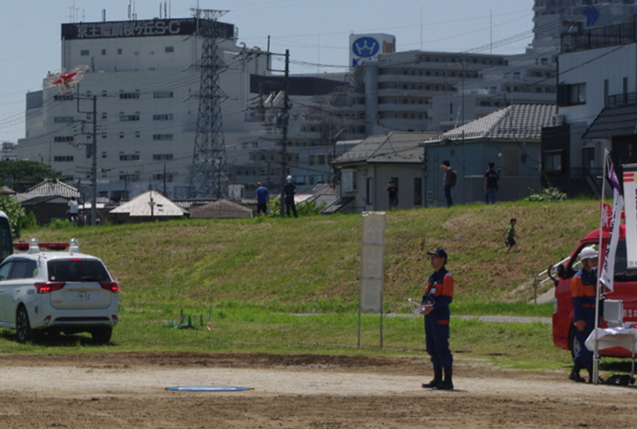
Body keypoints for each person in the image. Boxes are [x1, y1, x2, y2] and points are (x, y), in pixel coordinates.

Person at [420, 247, 455, 390]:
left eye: (435, 257)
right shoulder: (432, 277)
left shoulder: (447, 277)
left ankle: (448, 380)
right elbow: (426, 296)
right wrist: (422, 306)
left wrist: (432, 307)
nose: (432, 260)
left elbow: (447, 299)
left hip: (439, 317)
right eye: (431, 257)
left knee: (441, 347)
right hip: (429, 317)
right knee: (431, 347)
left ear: (443, 259)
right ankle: (437, 378)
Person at [570, 246, 603, 383]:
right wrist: (579, 320)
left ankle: (575, 372)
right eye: (592, 260)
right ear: (584, 262)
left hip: (593, 314)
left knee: (590, 346)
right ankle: (593, 375)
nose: (595, 262)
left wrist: (600, 314)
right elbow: (576, 302)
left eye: (595, 259)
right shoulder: (577, 279)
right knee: (586, 346)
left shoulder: (596, 277)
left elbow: (600, 298)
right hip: (584, 314)